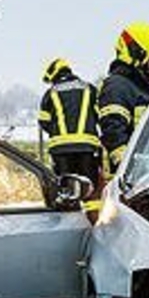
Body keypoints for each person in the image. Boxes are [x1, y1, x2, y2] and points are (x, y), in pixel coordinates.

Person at [97, 22, 149, 174]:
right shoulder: (117, 86)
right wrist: (129, 167)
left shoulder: (147, 87)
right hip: (132, 179)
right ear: (137, 54)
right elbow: (113, 131)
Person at [38, 58, 104, 214]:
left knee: (67, 191)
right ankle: (93, 221)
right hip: (87, 149)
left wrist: (58, 133)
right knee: (90, 191)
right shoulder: (89, 89)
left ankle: (71, 220)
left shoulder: (51, 93)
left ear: (53, 74)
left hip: (60, 151)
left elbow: (44, 121)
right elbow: (100, 115)